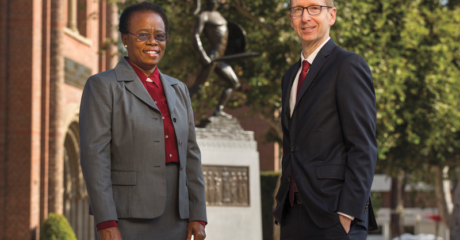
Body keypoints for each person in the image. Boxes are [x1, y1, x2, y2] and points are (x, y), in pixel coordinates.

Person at [79, 2, 207, 240]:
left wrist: (198, 215)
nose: (153, 42)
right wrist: (105, 220)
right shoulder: (103, 86)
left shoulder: (179, 89)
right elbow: (94, 157)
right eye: (142, 35)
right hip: (127, 216)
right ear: (125, 39)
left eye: (159, 35)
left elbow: (191, 155)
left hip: (177, 217)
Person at [272, 0, 378, 239]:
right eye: (298, 10)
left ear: (332, 15)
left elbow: (363, 146)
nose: (305, 17)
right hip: (293, 217)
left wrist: (347, 213)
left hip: (334, 217)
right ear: (291, 19)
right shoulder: (290, 76)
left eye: (314, 8)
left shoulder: (348, 65)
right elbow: (292, 147)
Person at [189, 0, 241, 117]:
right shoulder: (203, 16)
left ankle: (218, 111)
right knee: (198, 86)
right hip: (211, 56)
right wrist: (203, 55)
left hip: (220, 58)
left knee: (234, 83)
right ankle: (176, 111)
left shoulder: (219, 15)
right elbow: (195, 36)